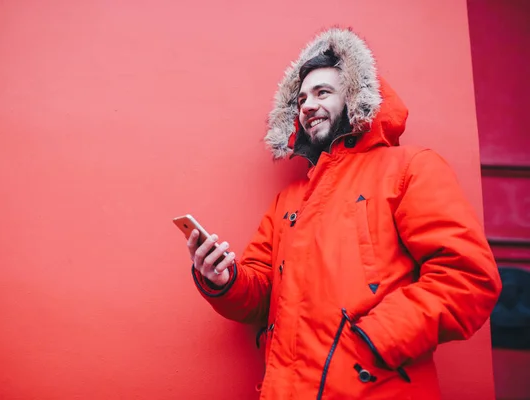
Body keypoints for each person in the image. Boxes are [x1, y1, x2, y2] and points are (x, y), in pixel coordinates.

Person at [185, 27, 502, 399]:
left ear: (354, 97)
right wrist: (224, 280)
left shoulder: (410, 168)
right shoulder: (288, 200)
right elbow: (259, 294)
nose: (307, 105)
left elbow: (468, 277)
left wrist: (373, 339)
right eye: (301, 98)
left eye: (323, 92)